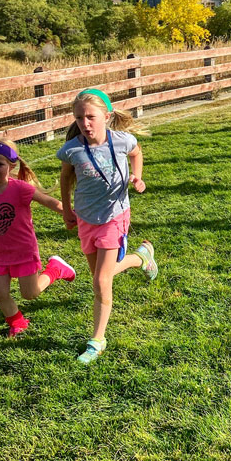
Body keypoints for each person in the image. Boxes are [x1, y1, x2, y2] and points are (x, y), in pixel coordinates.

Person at [58, 89, 158, 365]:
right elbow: (65, 177)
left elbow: (137, 153)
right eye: (79, 118)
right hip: (86, 219)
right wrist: (67, 209)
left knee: (101, 281)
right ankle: (140, 258)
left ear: (107, 116)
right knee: (101, 277)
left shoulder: (122, 140)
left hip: (115, 216)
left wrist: (137, 177)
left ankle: (97, 340)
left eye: (91, 117)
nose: (85, 123)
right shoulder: (72, 149)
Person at [0, 137, 76, 338]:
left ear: (11, 165)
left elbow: (49, 201)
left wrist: (71, 214)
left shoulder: (20, 189)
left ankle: (56, 269)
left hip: (23, 251)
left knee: (30, 294)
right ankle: (17, 322)